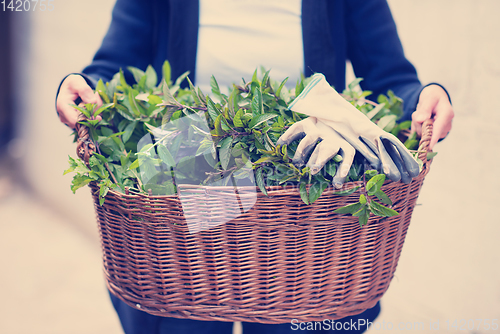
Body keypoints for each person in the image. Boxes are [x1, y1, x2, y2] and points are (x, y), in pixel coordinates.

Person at [55, 0, 454, 333]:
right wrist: (82, 85)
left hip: (301, 167)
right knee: (189, 315)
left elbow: (391, 75)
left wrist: (424, 98)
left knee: (296, 318)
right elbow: (115, 62)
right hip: (189, 155)